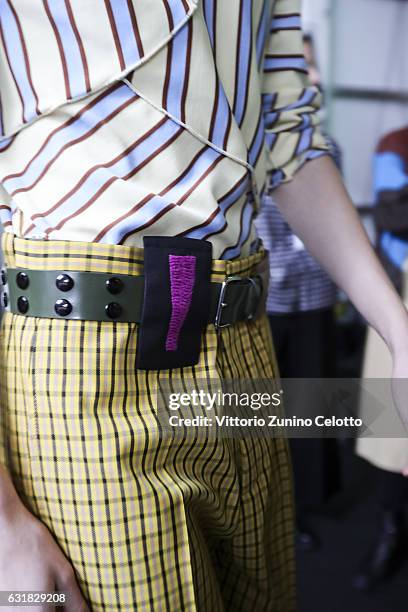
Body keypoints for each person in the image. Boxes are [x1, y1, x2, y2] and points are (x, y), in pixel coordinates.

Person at [0, 1, 408, 611]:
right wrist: (2, 523)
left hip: (246, 341)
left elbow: (287, 134)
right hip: (83, 363)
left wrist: (400, 332)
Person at [255, 33, 342, 552]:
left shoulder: (332, 148)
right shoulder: (251, 142)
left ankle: (306, 509)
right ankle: (269, 512)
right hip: (268, 301)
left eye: (311, 66)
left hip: (316, 299)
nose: (307, 78)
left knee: (312, 408)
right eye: (298, 66)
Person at [354, 127, 408, 591]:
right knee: (394, 431)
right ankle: (390, 533)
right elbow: (394, 214)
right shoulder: (395, 145)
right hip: (400, 297)